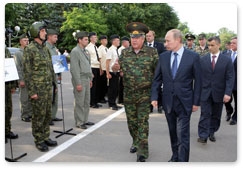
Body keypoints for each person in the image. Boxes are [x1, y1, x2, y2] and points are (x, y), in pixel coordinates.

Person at [151, 29, 201, 162]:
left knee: (182, 134)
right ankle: (175, 155)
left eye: (168, 41)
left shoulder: (193, 57)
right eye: (165, 41)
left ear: (178, 40)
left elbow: (199, 81)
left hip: (185, 102)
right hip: (168, 102)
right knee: (173, 132)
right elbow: (157, 79)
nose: (165, 44)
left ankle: (183, 161)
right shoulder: (163, 57)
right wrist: (154, 97)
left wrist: (196, 102)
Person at [113, 22, 158, 162]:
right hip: (129, 94)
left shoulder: (152, 53)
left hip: (145, 94)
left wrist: (157, 94)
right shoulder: (124, 53)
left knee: (143, 122)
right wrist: (115, 67)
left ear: (143, 38)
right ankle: (135, 141)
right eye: (132, 37)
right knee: (131, 122)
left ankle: (143, 152)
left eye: (137, 37)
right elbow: (117, 69)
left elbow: (158, 73)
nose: (134, 40)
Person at [23, 21, 58, 152]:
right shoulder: (30, 49)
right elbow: (27, 72)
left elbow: (50, 68)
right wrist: (32, 91)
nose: (45, 33)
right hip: (37, 89)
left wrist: (54, 84)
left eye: (45, 31)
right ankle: (38, 140)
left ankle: (45, 136)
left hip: (48, 88)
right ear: (36, 32)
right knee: (38, 115)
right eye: (43, 31)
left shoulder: (45, 49)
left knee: (47, 114)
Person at [197, 36, 234, 144]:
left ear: (219, 45)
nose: (210, 47)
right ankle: (203, 135)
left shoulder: (226, 60)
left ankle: (211, 132)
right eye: (209, 45)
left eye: (212, 45)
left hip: (219, 92)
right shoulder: (203, 59)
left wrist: (228, 93)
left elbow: (230, 77)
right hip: (205, 92)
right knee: (205, 113)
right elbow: (198, 77)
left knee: (216, 115)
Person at [70, 31, 94, 130]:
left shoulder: (85, 51)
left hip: (86, 78)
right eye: (85, 39)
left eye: (87, 39)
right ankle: (79, 121)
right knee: (79, 102)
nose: (87, 41)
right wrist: (78, 83)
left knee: (86, 101)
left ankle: (84, 119)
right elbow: (74, 69)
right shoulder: (75, 51)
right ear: (79, 40)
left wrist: (90, 79)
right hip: (80, 78)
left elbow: (88, 66)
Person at [146, 30, 166, 113]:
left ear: (153, 36)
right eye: (147, 36)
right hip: (147, 72)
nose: (148, 37)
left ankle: (160, 106)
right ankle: (149, 106)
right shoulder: (143, 46)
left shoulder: (160, 46)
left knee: (159, 88)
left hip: (158, 70)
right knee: (149, 89)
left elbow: (163, 58)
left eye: (149, 36)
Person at [46, 29, 63, 125]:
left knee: (55, 97)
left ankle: (53, 115)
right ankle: (48, 118)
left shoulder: (53, 48)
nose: (56, 38)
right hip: (48, 76)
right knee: (49, 97)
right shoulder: (46, 47)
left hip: (54, 75)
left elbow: (57, 62)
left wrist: (59, 74)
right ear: (49, 37)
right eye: (55, 37)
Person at [15, 33, 33, 122]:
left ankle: (30, 113)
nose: (27, 42)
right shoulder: (18, 53)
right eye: (25, 40)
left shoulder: (29, 51)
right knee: (24, 98)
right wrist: (21, 80)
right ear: (20, 42)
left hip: (31, 79)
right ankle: (24, 114)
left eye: (27, 40)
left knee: (30, 97)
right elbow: (18, 67)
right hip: (24, 78)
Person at [5, 47, 19, 143]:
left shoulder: (5, 49)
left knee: (8, 109)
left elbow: (10, 66)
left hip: (7, 85)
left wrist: (14, 84)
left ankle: (6, 130)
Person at [86, 32, 101, 108]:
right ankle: (92, 102)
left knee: (96, 85)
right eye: (95, 37)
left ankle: (95, 100)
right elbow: (88, 60)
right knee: (93, 86)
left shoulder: (95, 47)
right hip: (92, 67)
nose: (96, 38)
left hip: (97, 67)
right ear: (91, 38)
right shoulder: (88, 47)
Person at [106, 34, 121, 110]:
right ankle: (111, 103)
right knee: (112, 88)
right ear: (113, 41)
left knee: (116, 88)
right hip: (112, 72)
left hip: (117, 71)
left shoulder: (116, 50)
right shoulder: (110, 50)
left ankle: (114, 102)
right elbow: (107, 62)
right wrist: (107, 73)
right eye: (118, 40)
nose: (119, 42)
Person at [224, 36, 237, 125]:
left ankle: (235, 117)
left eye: (234, 43)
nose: (231, 44)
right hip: (227, 82)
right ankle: (229, 110)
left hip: (238, 82)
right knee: (226, 100)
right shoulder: (225, 54)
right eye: (231, 43)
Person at [117, 36, 130, 104]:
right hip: (123, 70)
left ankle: (124, 99)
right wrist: (121, 70)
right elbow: (120, 61)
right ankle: (120, 100)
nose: (129, 43)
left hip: (127, 70)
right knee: (122, 85)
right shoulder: (121, 50)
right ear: (124, 42)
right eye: (128, 42)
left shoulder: (127, 49)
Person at [97, 35, 108, 104]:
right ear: (101, 41)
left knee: (105, 84)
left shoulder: (106, 48)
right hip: (102, 68)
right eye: (104, 40)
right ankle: (100, 98)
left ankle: (103, 96)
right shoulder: (100, 49)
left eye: (106, 40)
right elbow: (99, 59)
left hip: (106, 68)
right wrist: (100, 69)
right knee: (101, 84)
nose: (106, 41)